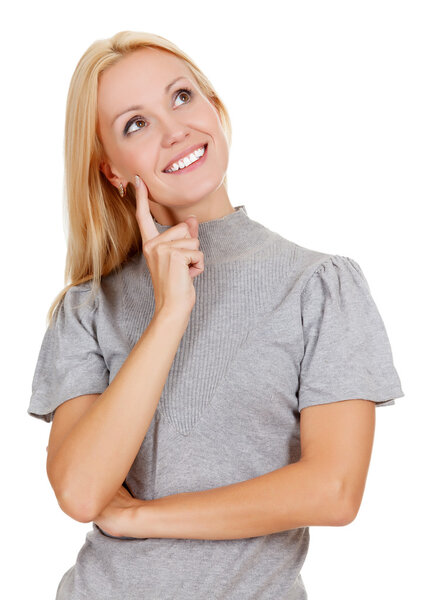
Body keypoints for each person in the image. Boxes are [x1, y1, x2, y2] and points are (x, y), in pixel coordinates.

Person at [27, 30, 405, 600]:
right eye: (136, 123)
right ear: (112, 172)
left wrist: (141, 518)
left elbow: (334, 489)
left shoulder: (319, 286)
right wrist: (170, 315)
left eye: (181, 97)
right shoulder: (87, 308)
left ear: (215, 108)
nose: (174, 129)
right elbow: (81, 492)